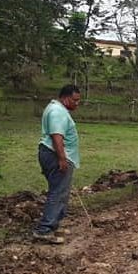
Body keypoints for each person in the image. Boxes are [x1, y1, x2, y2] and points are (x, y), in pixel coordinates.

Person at [33, 85, 81, 244]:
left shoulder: (56, 109)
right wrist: (62, 159)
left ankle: (53, 224)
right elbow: (57, 137)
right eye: (75, 100)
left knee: (61, 192)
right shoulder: (58, 112)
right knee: (57, 192)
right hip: (55, 156)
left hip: (53, 154)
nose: (77, 103)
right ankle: (44, 229)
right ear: (66, 98)